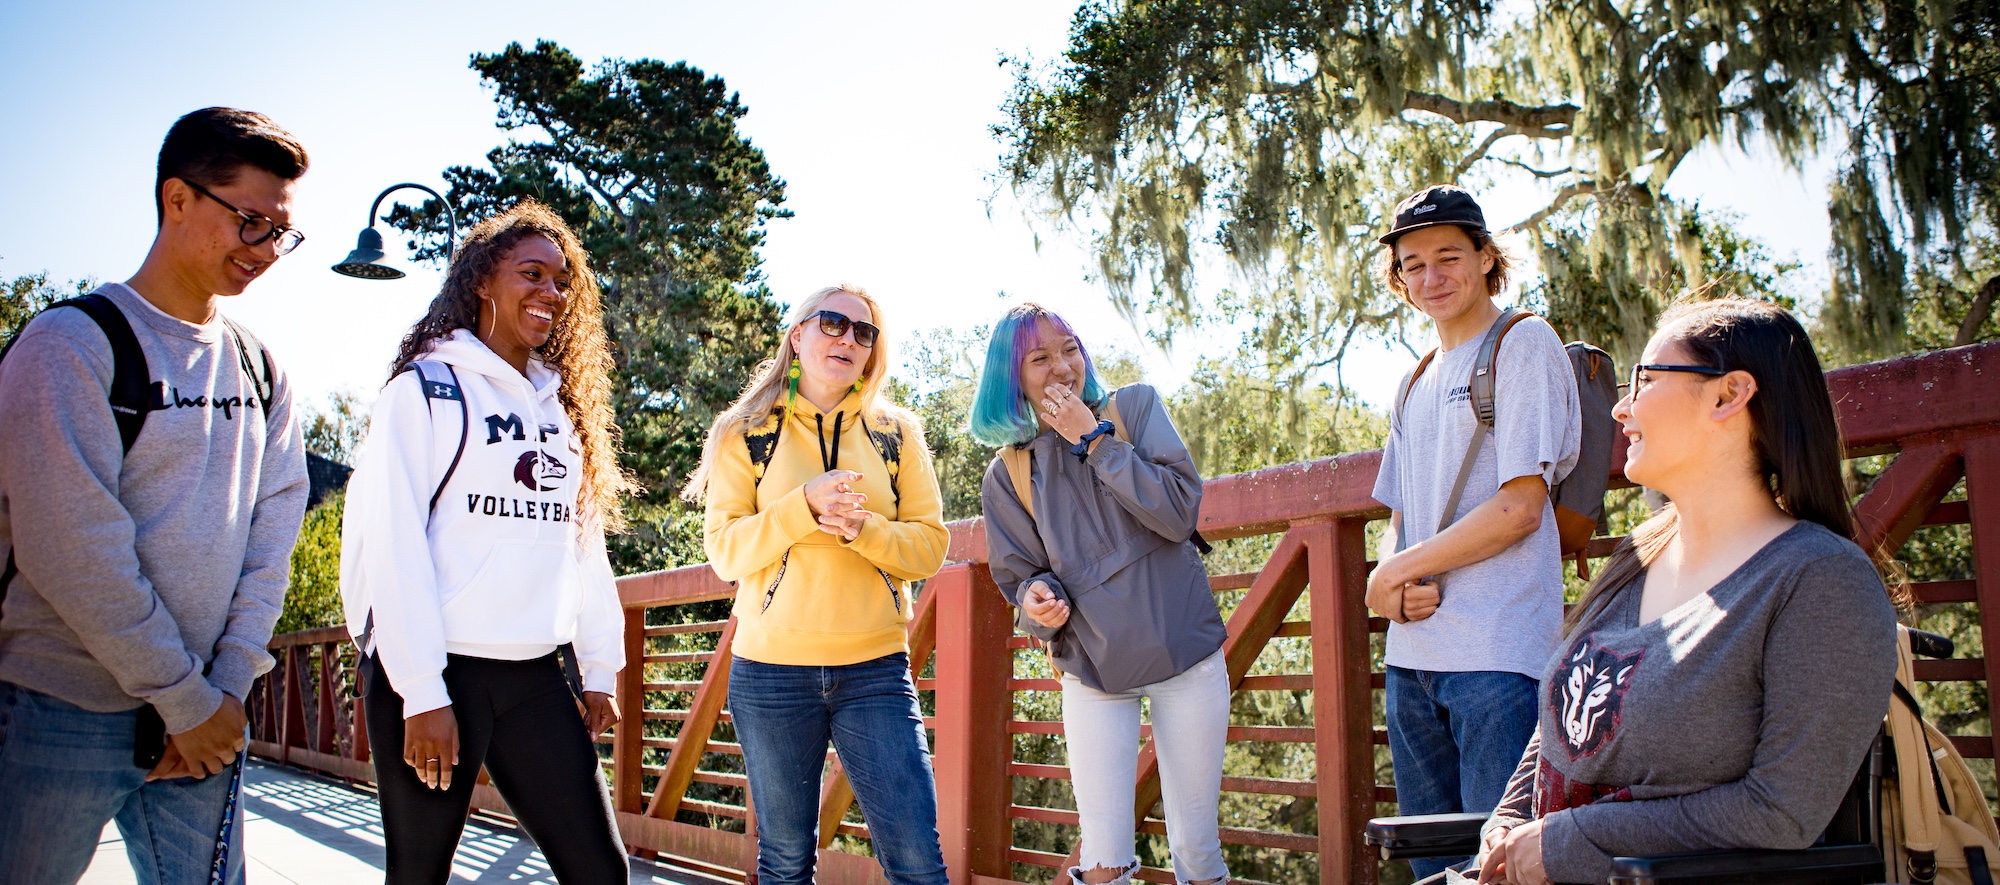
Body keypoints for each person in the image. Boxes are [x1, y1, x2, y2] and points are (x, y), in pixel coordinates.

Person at [1472, 297, 1900, 885]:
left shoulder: (1819, 580)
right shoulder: (1636, 557)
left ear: (1729, 395)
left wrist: (1564, 843)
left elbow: (1780, 813)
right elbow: (1559, 724)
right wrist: (1507, 820)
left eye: (1644, 380)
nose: (1622, 408)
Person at [0, 107, 311, 884]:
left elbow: (272, 539)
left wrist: (226, 690)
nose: (266, 251)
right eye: (251, 223)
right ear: (178, 199)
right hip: (56, 710)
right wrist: (184, 699)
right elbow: (72, 548)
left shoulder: (261, 366)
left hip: (206, 714)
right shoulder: (68, 346)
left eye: (281, 233)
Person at [338, 201, 636, 884]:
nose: (551, 294)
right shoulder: (424, 391)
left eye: (562, 282)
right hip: (437, 674)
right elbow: (394, 544)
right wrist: (420, 691)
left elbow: (582, 543)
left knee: (601, 870)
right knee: (419, 874)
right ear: (481, 281)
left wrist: (598, 664)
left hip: (533, 674)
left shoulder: (559, 412)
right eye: (532, 273)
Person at [683, 285, 950, 885]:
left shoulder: (898, 434)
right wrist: (800, 507)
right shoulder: (744, 431)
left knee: (917, 859)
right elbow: (725, 552)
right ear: (797, 336)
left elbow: (931, 547)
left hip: (876, 670)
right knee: (783, 861)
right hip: (770, 675)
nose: (848, 339)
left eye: (864, 332)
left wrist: (865, 531)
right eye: (833, 322)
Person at [1364, 185, 1583, 878]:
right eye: (1414, 264)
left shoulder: (1523, 342)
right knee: (1432, 867)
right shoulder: (1414, 378)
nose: (1432, 277)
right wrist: (1388, 582)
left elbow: (1521, 506)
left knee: (1502, 867)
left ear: (1488, 258)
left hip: (1498, 657)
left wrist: (1394, 573)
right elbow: (1398, 521)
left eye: (1449, 257)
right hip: (1411, 663)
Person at [972, 303, 1229, 885]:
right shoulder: (1006, 474)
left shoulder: (1133, 407)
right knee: (1103, 861)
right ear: (1010, 377)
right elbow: (1021, 579)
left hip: (1186, 659)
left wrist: (1092, 438)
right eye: (1039, 358)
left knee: (1197, 849)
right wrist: (1037, 602)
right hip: (1092, 673)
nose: (1062, 366)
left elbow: (1178, 510)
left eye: (1070, 348)